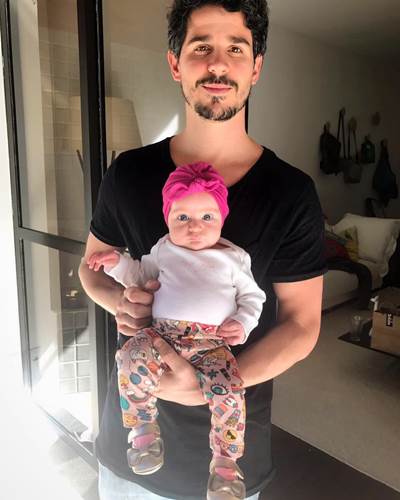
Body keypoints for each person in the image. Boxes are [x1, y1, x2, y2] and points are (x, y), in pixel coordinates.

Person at [78, 1, 326, 499]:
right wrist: (121, 301)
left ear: (256, 66)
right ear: (175, 63)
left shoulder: (291, 193)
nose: (218, 64)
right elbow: (92, 269)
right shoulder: (127, 174)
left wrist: (208, 386)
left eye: (236, 49)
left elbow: (302, 326)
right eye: (201, 47)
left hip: (232, 461)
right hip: (128, 456)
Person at [87, 162, 266, 499]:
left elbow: (253, 297)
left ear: (222, 218)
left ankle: (225, 465)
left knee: (229, 391)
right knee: (129, 356)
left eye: (207, 217)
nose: (194, 227)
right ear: (168, 218)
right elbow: (139, 276)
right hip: (161, 335)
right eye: (182, 217)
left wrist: (242, 323)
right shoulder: (163, 249)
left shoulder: (234, 258)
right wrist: (116, 264)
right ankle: (143, 431)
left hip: (211, 344)